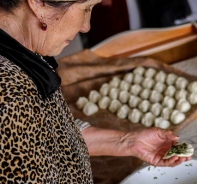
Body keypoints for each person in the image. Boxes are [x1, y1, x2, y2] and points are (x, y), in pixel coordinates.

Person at [0, 0, 191, 183]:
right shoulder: (10, 95)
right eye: (86, 8)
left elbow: (45, 137)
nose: (86, 27)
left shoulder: (20, 51)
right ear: (38, 3)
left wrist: (127, 141)